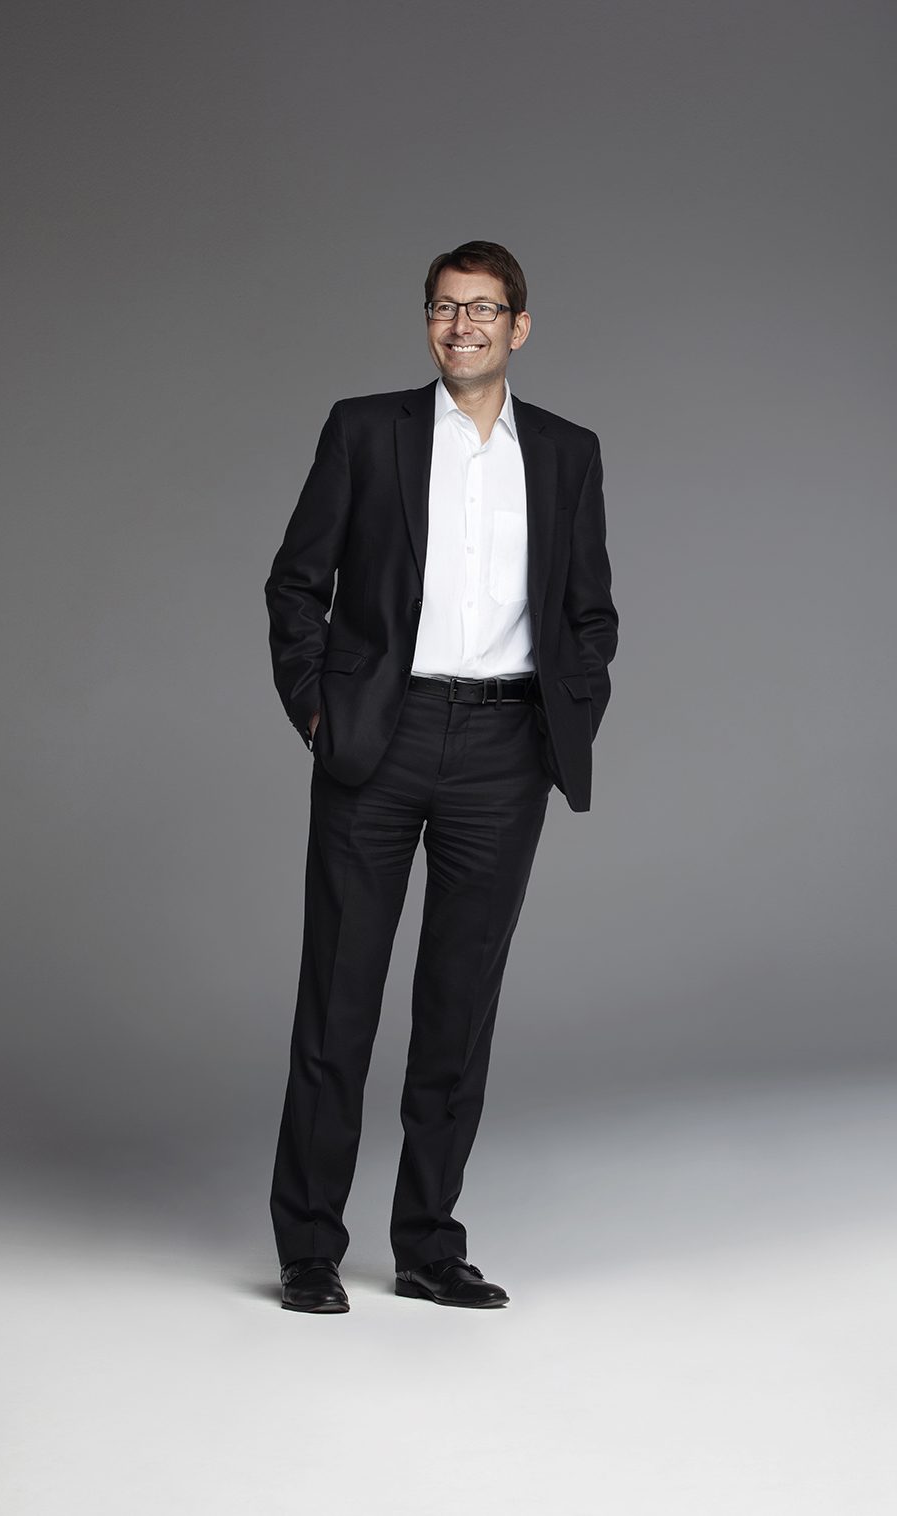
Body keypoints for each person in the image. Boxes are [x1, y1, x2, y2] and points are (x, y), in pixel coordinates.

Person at [265, 240, 618, 1312]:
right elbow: (296, 584)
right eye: (444, 307)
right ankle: (310, 1248)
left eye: (483, 309)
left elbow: (589, 612)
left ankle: (426, 1243)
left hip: (505, 750)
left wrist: (565, 718)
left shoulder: (565, 452)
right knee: (339, 999)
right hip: (380, 736)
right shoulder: (364, 430)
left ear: (520, 327)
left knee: (459, 1008)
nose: (462, 326)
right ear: (428, 321)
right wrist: (319, 710)